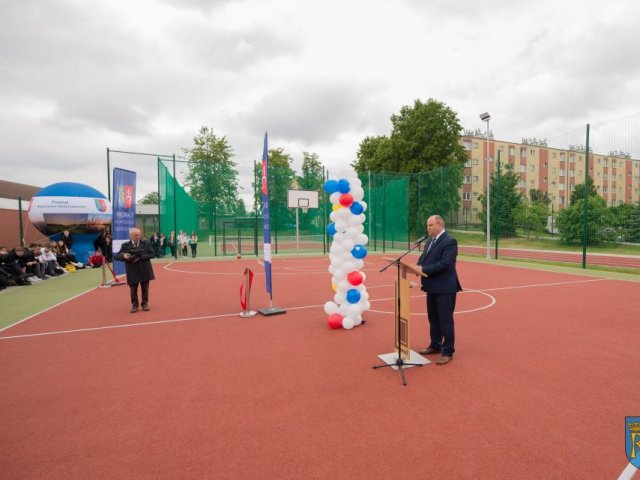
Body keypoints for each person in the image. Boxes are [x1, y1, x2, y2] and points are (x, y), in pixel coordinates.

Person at [416, 215, 462, 365]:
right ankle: (435, 345)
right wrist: (417, 266)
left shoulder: (449, 241)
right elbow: (423, 258)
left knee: (445, 321)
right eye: (427, 225)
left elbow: (445, 264)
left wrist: (423, 269)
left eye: (430, 225)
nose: (428, 228)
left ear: (440, 224)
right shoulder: (430, 241)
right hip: (431, 286)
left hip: (445, 288)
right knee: (433, 318)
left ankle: (448, 351)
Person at [114, 227, 155, 313]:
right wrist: (124, 256)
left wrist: (141, 256)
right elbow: (116, 256)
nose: (138, 237)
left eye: (139, 235)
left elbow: (152, 254)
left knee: (145, 289)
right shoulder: (125, 246)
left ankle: (145, 304)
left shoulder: (146, 243)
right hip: (132, 271)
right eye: (135, 235)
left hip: (144, 269)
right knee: (133, 290)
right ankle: (134, 305)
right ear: (130, 235)